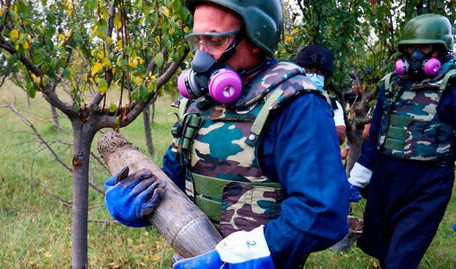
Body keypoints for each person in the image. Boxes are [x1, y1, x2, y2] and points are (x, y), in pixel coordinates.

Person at [105, 1, 349, 268]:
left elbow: (323, 212)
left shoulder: (296, 104)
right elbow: (173, 182)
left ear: (256, 38)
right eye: (198, 40)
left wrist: (237, 257)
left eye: (215, 41)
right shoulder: (199, 105)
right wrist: (137, 198)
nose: (201, 57)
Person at [348, 14, 455, 268]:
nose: (416, 54)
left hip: (428, 185)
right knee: (383, 250)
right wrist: (355, 181)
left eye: (424, 48)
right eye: (410, 47)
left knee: (401, 258)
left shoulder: (451, 85)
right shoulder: (392, 84)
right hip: (387, 180)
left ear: (440, 50)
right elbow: (376, 137)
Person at [295, 44, 347, 145]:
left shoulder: (333, 105)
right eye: (309, 71)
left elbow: (340, 136)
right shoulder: (285, 99)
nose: (314, 76)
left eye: (320, 73)